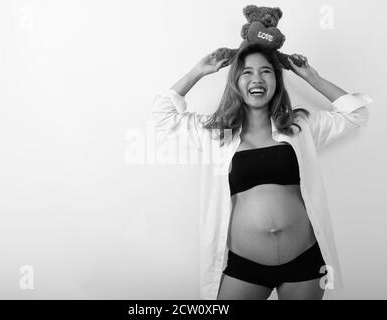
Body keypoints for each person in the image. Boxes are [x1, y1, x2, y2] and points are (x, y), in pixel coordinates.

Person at [150, 43, 372, 300]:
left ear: (277, 80)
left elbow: (356, 113)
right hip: (245, 267)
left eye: (266, 71)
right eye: (246, 72)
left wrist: (313, 78)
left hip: (305, 263)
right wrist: (198, 71)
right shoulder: (215, 133)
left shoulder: (300, 126)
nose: (257, 78)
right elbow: (162, 115)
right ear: (235, 82)